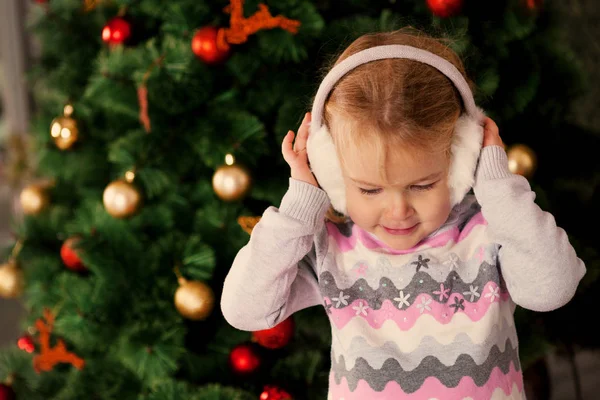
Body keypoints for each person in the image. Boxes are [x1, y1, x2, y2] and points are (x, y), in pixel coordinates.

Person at [220, 27, 586, 399]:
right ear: (329, 170)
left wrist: (499, 191)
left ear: (462, 158)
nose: (398, 210)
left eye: (422, 185)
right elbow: (243, 310)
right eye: (369, 189)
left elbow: (553, 289)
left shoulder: (490, 229)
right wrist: (298, 208)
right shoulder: (331, 246)